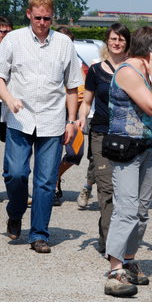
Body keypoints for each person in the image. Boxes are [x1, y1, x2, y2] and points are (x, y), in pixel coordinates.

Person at [0, 0, 83, 253]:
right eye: (38, 18)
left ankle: (39, 234)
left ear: (52, 17)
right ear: (28, 14)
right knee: (16, 174)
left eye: (47, 18)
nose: (42, 22)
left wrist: (71, 121)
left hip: (52, 120)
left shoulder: (64, 44)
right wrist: (9, 99)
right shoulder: (13, 40)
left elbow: (72, 87)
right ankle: (15, 212)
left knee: (46, 182)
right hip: (19, 119)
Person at [100, 26, 152, 298]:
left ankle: (128, 259)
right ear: (151, 52)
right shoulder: (128, 72)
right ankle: (115, 272)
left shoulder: (143, 72)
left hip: (146, 146)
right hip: (126, 150)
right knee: (126, 208)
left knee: (142, 209)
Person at [78, 23, 130, 254]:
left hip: (128, 135)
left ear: (127, 43)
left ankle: (106, 231)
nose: (116, 43)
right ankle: (111, 244)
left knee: (124, 192)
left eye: (121, 39)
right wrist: (80, 119)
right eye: (113, 39)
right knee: (106, 187)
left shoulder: (132, 70)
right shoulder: (96, 70)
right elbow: (87, 102)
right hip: (100, 133)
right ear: (106, 42)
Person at [52, 26, 86, 206]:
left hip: (75, 115)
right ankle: (52, 187)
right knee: (54, 152)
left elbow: (85, 91)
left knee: (76, 153)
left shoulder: (78, 63)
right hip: (57, 113)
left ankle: (55, 176)